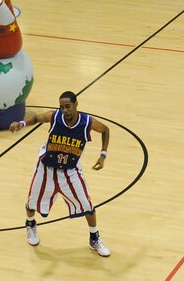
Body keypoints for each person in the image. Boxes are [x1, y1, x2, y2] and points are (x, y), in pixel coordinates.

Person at [9, 91, 112, 257]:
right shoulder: (54, 116)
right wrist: (21, 123)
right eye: (62, 107)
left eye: (68, 106)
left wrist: (103, 154)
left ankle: (94, 238)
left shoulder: (87, 122)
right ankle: (30, 225)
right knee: (32, 202)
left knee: (87, 206)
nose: (65, 110)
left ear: (76, 104)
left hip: (70, 172)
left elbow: (105, 130)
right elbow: (36, 118)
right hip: (46, 168)